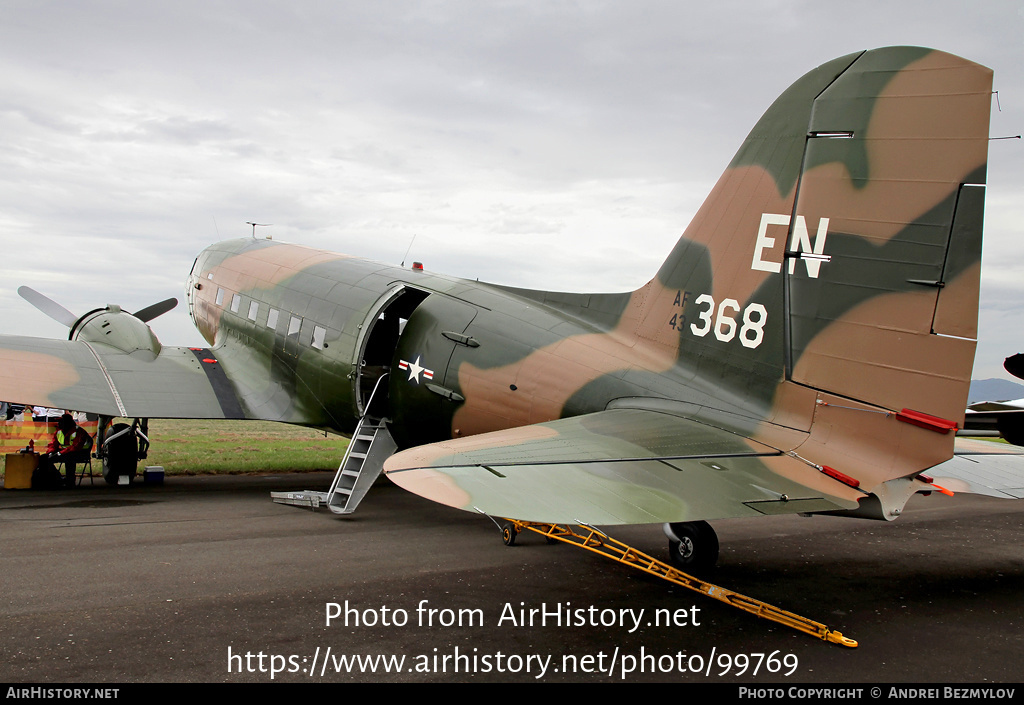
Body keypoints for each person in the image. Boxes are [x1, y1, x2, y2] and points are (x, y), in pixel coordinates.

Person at [36, 413, 93, 488]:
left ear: (68, 423)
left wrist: (60, 453)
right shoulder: (58, 431)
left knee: (69, 458)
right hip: (65, 452)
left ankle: (70, 481)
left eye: (61, 422)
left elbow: (75, 447)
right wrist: (50, 452)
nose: (59, 424)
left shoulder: (79, 431)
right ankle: (56, 478)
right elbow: (53, 444)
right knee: (44, 458)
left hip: (81, 453)